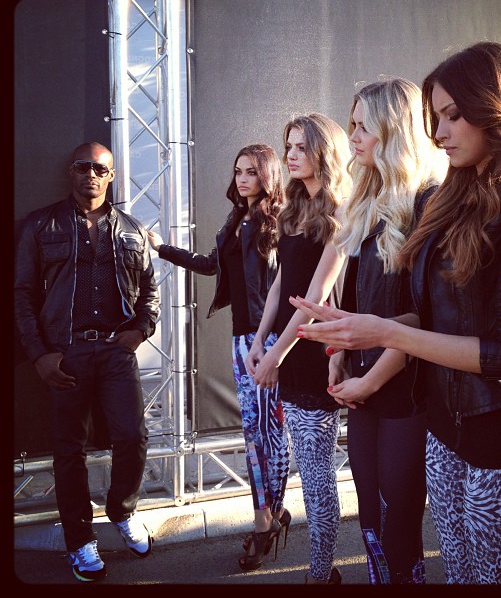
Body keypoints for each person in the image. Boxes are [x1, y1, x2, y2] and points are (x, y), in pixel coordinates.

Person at [290, 36, 501, 584]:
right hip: (442, 432)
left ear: (495, 111)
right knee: (455, 574)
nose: (440, 132)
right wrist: (360, 333)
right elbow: (428, 318)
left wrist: (385, 334)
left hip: (500, 438)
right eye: (435, 117)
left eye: (453, 115)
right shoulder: (443, 198)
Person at [14, 142, 160, 582]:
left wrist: (140, 330)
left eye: (100, 169)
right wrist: (40, 354)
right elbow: (21, 294)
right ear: (71, 171)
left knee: (132, 436)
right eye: (84, 167)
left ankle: (122, 511)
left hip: (116, 351)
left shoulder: (132, 229)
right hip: (66, 353)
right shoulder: (41, 225)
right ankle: (79, 540)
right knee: (68, 450)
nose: (91, 175)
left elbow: (150, 292)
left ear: (111, 175)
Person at [147, 143, 292, 571]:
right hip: (240, 340)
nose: (243, 179)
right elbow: (212, 265)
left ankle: (267, 518)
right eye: (238, 171)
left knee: (269, 434)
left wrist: (274, 345)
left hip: (269, 341)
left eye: (251, 172)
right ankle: (270, 514)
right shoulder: (236, 220)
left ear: (267, 175)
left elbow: (287, 284)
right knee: (255, 435)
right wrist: (164, 249)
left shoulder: (279, 223)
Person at [324, 77, 446, 584]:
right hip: (363, 384)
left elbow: (425, 318)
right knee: (371, 519)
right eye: (351, 124)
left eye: (363, 126)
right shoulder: (367, 202)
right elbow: (358, 298)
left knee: (398, 522)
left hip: (404, 393)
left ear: (394, 130)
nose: (351, 136)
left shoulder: (429, 203)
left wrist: (369, 380)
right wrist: (340, 353)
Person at [245, 113, 352, 584]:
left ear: (324, 153)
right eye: (288, 145)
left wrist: (276, 354)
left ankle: (320, 574)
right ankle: (323, 572)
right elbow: (280, 286)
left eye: (301, 147)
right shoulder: (292, 210)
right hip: (288, 347)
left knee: (315, 475)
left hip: (316, 355)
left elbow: (317, 296)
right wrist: (260, 339)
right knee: (307, 470)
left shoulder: (341, 211)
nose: (290, 154)